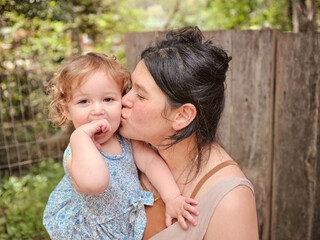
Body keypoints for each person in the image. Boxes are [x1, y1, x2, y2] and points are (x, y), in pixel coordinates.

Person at [120, 26, 259, 240]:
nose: (124, 100)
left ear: (182, 115)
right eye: (130, 88)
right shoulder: (127, 152)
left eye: (140, 95)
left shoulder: (229, 200)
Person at [43, 52, 199, 240]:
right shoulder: (77, 152)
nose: (98, 111)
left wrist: (172, 197)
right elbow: (95, 183)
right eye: (84, 102)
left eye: (108, 99)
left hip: (130, 227)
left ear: (122, 100)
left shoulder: (125, 139)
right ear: (67, 110)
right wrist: (80, 136)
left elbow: (150, 163)